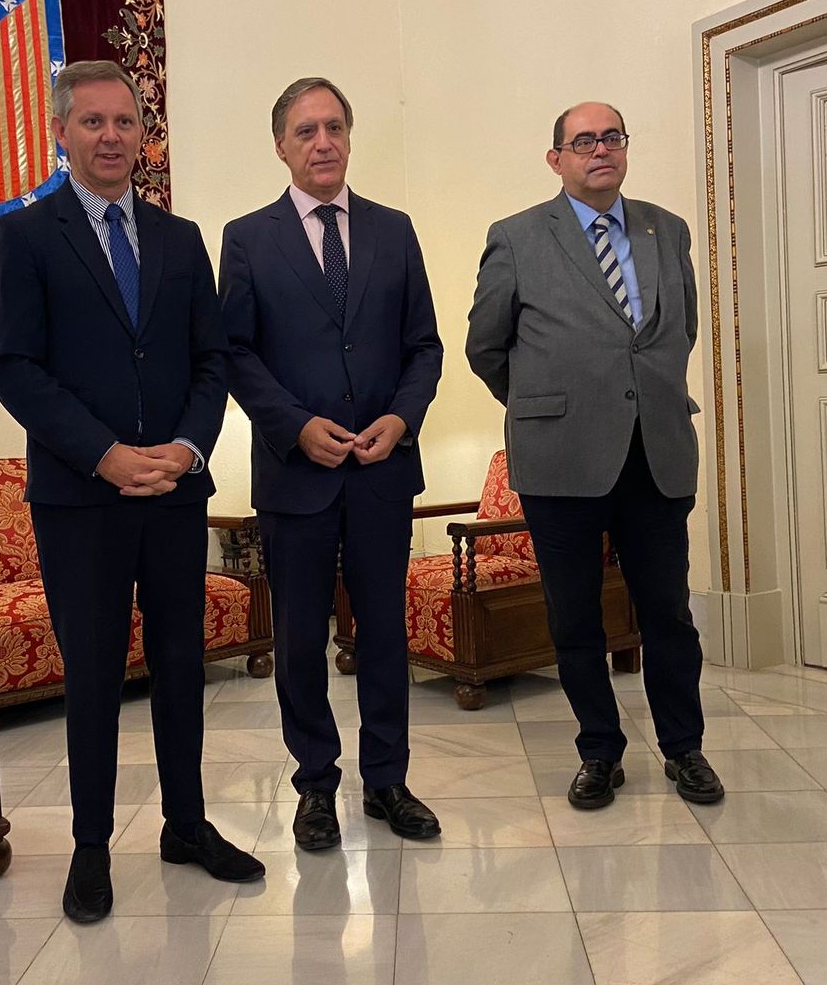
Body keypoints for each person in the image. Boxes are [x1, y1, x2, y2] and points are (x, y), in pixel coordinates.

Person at [0, 59, 264, 923]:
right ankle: (92, 847)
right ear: (62, 133)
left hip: (176, 492)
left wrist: (185, 446)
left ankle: (186, 826)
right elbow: (17, 371)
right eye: (93, 123)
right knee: (97, 675)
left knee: (183, 666)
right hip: (81, 500)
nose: (112, 137)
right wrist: (105, 455)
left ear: (144, 135)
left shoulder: (180, 240)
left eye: (125, 123)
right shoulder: (29, 236)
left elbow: (210, 360)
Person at [465, 101, 725, 810]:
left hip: (655, 453)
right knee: (575, 616)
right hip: (561, 458)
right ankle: (599, 751)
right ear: (557, 159)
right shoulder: (517, 237)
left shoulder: (665, 231)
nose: (599, 150)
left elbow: (681, 332)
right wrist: (546, 403)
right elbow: (485, 346)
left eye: (611, 137)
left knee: (667, 613)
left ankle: (685, 748)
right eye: (583, 141)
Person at [220, 77, 445, 849]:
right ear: (281, 145)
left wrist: (401, 418)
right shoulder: (247, 238)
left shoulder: (395, 230)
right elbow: (235, 353)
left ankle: (388, 781)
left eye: (336, 127)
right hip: (296, 475)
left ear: (350, 137)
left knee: (385, 633)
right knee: (299, 643)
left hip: (383, 470)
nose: (324, 142)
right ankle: (315, 785)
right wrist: (293, 426)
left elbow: (425, 347)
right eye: (307, 130)